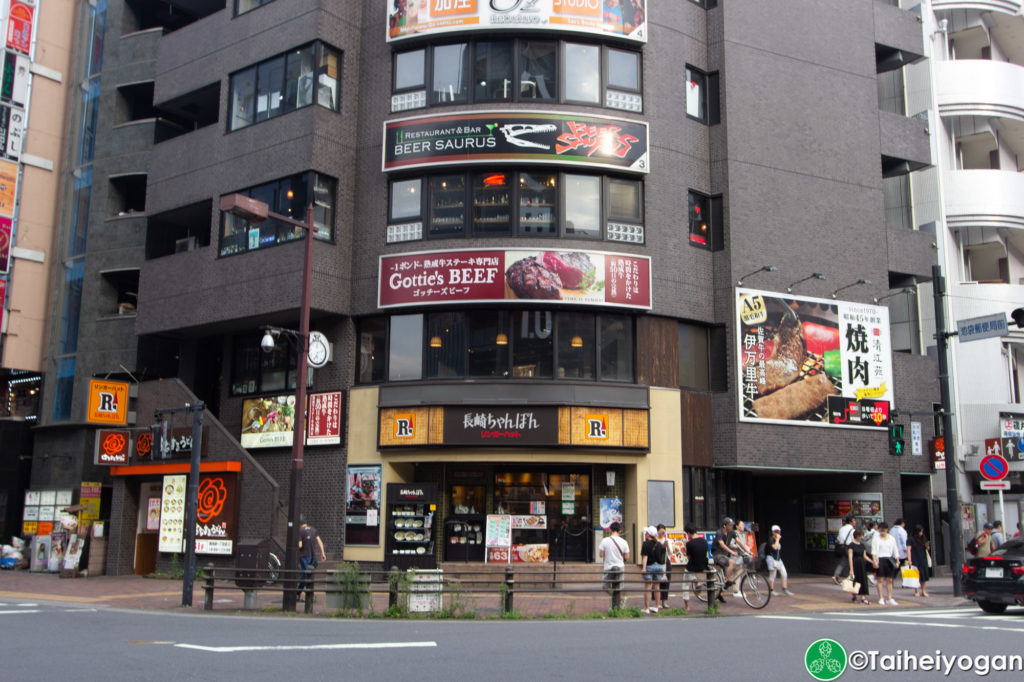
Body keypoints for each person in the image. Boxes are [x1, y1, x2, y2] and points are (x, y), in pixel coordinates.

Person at [683, 524, 714, 607]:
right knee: (692, 571)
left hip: (693, 566)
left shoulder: (689, 544)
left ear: (689, 533)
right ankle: (696, 581)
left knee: (685, 584)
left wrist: (685, 551)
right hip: (703, 565)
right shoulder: (704, 541)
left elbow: (689, 558)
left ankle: (687, 607)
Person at [871, 522, 900, 606]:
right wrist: (874, 561)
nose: (882, 532)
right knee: (880, 579)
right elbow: (874, 551)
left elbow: (895, 550)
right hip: (880, 559)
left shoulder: (891, 538)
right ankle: (881, 598)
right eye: (880, 530)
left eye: (883, 530)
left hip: (889, 559)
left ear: (887, 530)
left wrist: (897, 560)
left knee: (890, 580)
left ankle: (889, 598)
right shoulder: (876, 538)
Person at [297, 515, 326, 599]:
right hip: (312, 556)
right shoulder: (313, 530)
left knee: (305, 575)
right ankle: (304, 593)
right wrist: (323, 553)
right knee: (309, 574)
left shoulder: (300, 531)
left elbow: (300, 545)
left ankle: (302, 593)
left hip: (304, 556)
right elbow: (320, 542)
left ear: (300, 524)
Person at [640, 526, 666, 614]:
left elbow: (645, 557)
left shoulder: (646, 544)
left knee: (648, 587)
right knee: (657, 587)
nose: (646, 534)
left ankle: (647, 608)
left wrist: (643, 568)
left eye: (646, 532)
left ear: (648, 534)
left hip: (649, 566)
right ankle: (656, 607)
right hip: (659, 567)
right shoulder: (659, 544)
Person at [599, 521, 630, 595]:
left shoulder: (604, 541)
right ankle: (619, 604)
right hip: (620, 566)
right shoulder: (624, 542)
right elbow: (627, 556)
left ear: (610, 530)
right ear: (620, 530)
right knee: (618, 588)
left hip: (608, 566)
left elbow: (601, 555)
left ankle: (613, 597)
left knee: (605, 586)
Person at [713, 517, 741, 593]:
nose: (732, 526)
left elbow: (739, 541)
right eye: (730, 525)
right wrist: (732, 552)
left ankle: (720, 593)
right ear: (725, 525)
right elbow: (722, 545)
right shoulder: (719, 532)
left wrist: (748, 551)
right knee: (732, 562)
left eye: (732, 525)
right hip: (717, 555)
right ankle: (727, 581)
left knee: (727, 570)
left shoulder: (732, 532)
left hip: (725, 556)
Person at [765, 524, 794, 596]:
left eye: (779, 531)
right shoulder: (770, 540)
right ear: (773, 532)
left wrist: (778, 539)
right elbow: (774, 547)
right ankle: (771, 590)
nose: (778, 533)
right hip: (771, 559)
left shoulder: (778, 539)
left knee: (784, 573)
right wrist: (777, 539)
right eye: (776, 531)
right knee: (773, 574)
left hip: (778, 559)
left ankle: (784, 589)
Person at [846, 529, 873, 605]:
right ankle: (854, 596)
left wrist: (871, 561)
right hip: (855, 563)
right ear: (857, 535)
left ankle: (863, 598)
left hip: (861, 564)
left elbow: (864, 556)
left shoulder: (862, 545)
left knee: (863, 580)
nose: (862, 537)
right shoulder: (851, 545)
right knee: (855, 580)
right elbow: (850, 557)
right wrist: (851, 569)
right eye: (861, 535)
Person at [728, 520, 754, 596]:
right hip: (735, 556)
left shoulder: (743, 534)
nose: (743, 527)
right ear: (737, 526)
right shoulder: (733, 533)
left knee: (738, 573)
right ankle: (735, 590)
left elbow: (744, 544)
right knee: (736, 573)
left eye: (743, 525)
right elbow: (729, 544)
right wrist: (735, 546)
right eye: (741, 525)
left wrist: (747, 549)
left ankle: (736, 589)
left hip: (741, 556)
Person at [832, 515, 857, 584]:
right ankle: (852, 577)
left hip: (842, 547)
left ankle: (836, 576)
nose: (855, 522)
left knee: (843, 562)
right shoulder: (852, 530)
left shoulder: (842, 528)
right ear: (850, 522)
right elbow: (853, 540)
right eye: (854, 520)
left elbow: (839, 539)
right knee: (853, 562)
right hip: (850, 547)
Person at [908, 524, 931, 598]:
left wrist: (927, 546)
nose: (921, 533)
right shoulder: (910, 539)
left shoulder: (923, 538)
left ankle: (923, 591)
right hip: (915, 559)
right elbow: (908, 550)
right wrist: (909, 560)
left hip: (923, 559)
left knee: (923, 576)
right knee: (916, 576)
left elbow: (927, 549)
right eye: (920, 532)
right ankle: (916, 591)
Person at [656, 524, 671, 609]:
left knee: (665, 582)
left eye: (663, 531)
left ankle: (664, 602)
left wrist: (667, 545)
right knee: (657, 582)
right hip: (657, 562)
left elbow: (670, 553)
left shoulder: (667, 540)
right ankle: (657, 603)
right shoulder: (655, 540)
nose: (662, 532)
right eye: (661, 530)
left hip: (666, 562)